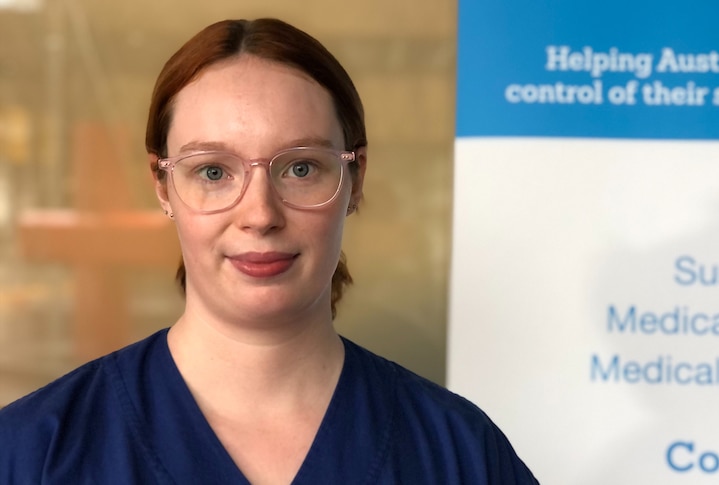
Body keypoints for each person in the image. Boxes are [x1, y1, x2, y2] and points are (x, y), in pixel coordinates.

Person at [0, 18, 537, 484]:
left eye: (301, 168)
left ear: (355, 176)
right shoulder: (32, 454)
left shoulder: (462, 455)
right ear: (162, 186)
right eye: (212, 171)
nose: (259, 215)